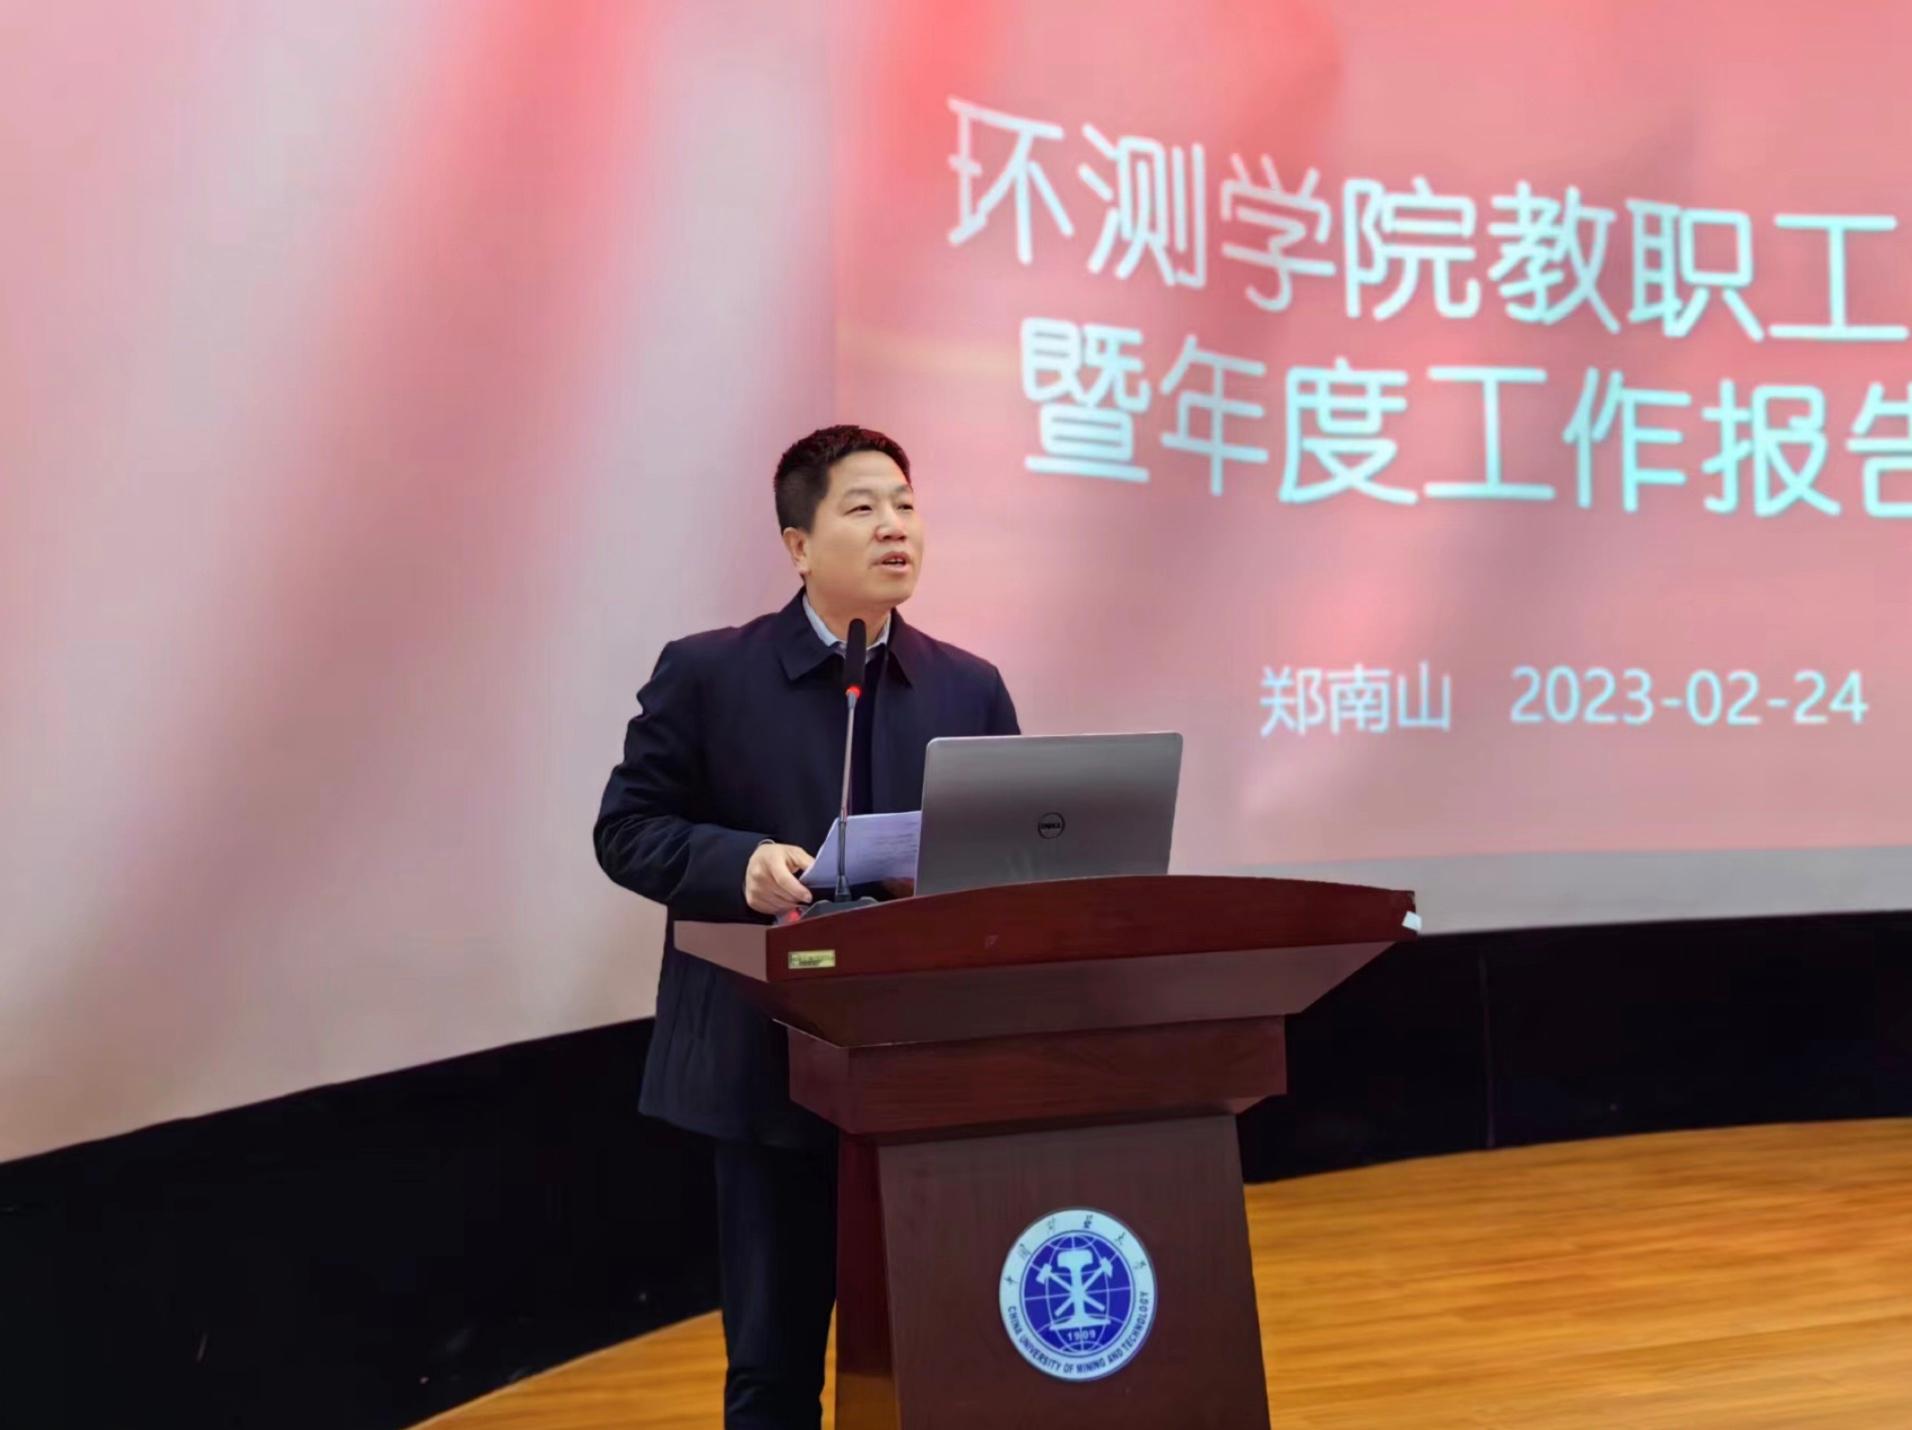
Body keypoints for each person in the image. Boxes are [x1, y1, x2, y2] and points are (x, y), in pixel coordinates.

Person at [593, 424, 1020, 1428]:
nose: (894, 527)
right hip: (768, 1067)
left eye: (905, 505)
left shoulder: (968, 685)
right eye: (863, 508)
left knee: (937, 1358)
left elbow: (1007, 855)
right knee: (776, 1371)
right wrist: (737, 865)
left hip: (923, 1069)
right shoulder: (710, 674)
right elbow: (627, 831)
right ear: (797, 545)